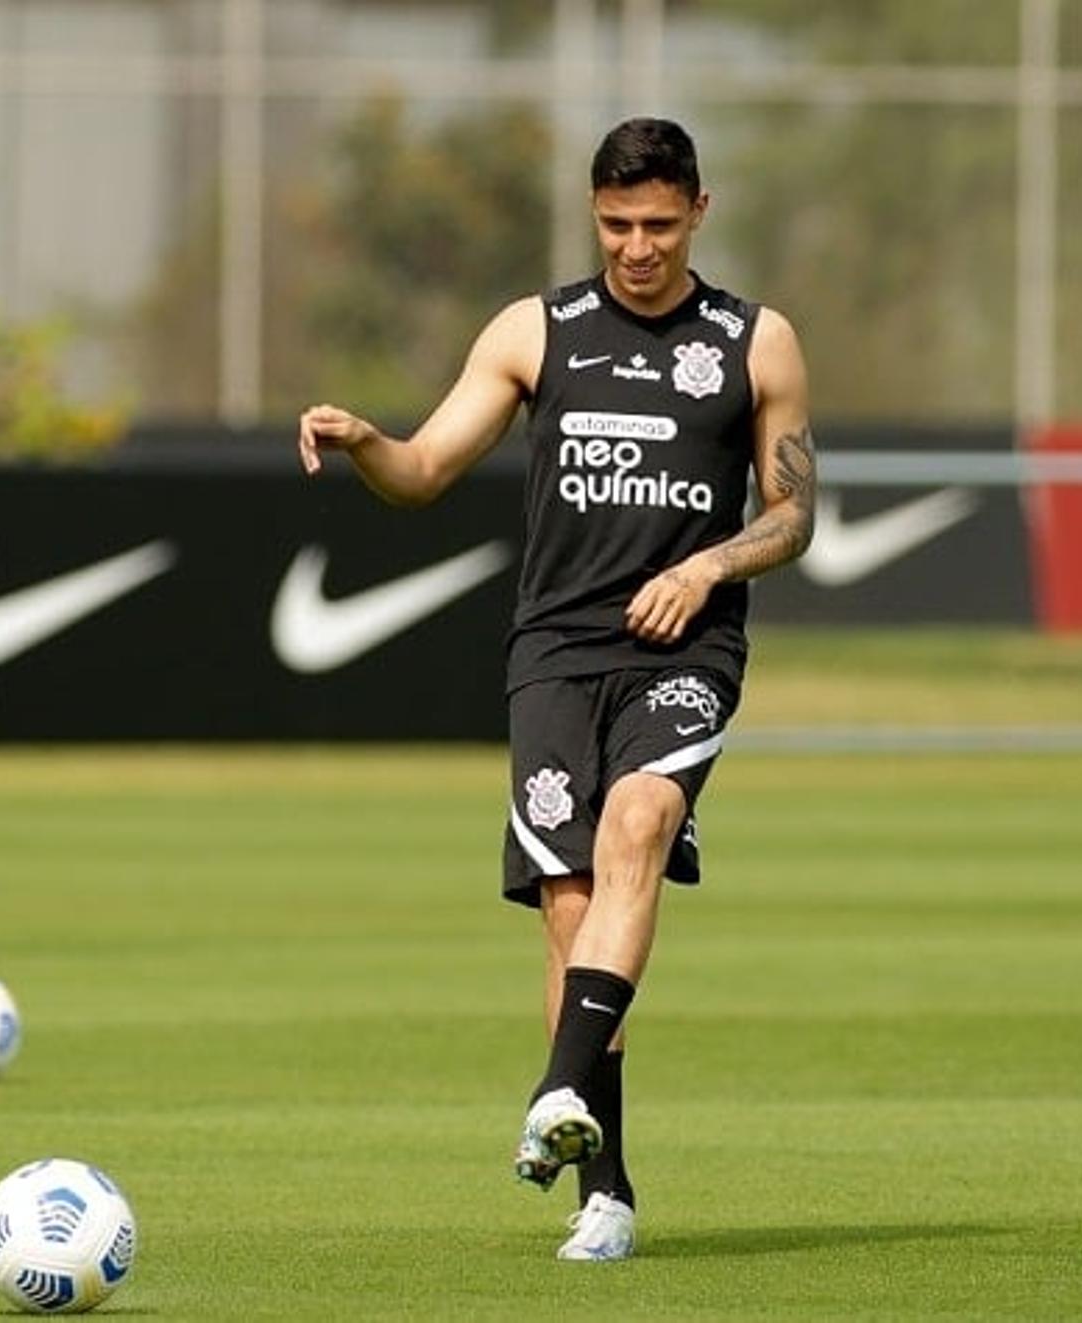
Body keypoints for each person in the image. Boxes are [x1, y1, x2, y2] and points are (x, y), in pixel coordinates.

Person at [297, 116, 815, 1262]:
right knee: (570, 908)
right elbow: (425, 472)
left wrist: (706, 563)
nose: (638, 247)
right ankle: (607, 1191)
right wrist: (367, 439)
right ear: (594, 214)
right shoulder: (537, 331)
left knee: (642, 821)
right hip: (552, 652)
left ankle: (553, 1090)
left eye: (660, 225)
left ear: (699, 213)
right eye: (618, 224)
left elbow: (792, 514)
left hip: (686, 651)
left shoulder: (753, 342)